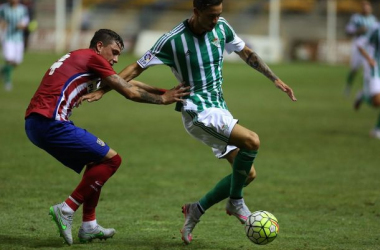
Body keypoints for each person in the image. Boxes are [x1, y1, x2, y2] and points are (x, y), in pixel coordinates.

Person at [81, 0, 296, 245]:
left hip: (219, 109)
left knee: (246, 174)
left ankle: (196, 210)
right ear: (196, 12)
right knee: (252, 140)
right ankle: (236, 203)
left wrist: (275, 79)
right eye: (211, 16)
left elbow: (246, 52)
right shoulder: (172, 40)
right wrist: (103, 90)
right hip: (197, 111)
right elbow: (135, 68)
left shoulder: (221, 27)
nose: (215, 21)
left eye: (219, 15)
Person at [24, 29, 189, 246]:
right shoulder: (92, 58)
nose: (116, 59)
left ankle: (89, 226)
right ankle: (67, 208)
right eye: (114, 52)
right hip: (50, 122)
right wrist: (163, 99)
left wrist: (166, 92)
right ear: (99, 46)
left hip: (37, 123)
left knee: (98, 161)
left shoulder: (83, 59)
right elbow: (128, 91)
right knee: (113, 160)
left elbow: (128, 83)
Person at [344, 0, 377, 96]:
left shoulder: (373, 19)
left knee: (369, 69)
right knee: (354, 68)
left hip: (370, 48)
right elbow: (348, 32)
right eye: (364, 7)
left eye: (368, 7)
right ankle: (348, 87)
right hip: (358, 46)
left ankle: (367, 90)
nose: (366, 9)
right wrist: (359, 30)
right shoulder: (356, 18)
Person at [357, 24, 380, 139]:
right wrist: (370, 60)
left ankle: (377, 129)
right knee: (377, 103)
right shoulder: (376, 29)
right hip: (376, 68)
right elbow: (360, 45)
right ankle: (363, 95)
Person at [0, 0, 29, 91]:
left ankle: (3, 70)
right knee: (9, 59)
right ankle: (8, 82)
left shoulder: (23, 9)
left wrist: (22, 26)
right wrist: (2, 25)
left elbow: (25, 21)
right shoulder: (3, 9)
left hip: (18, 39)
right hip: (7, 38)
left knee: (16, 62)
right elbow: (1, 21)